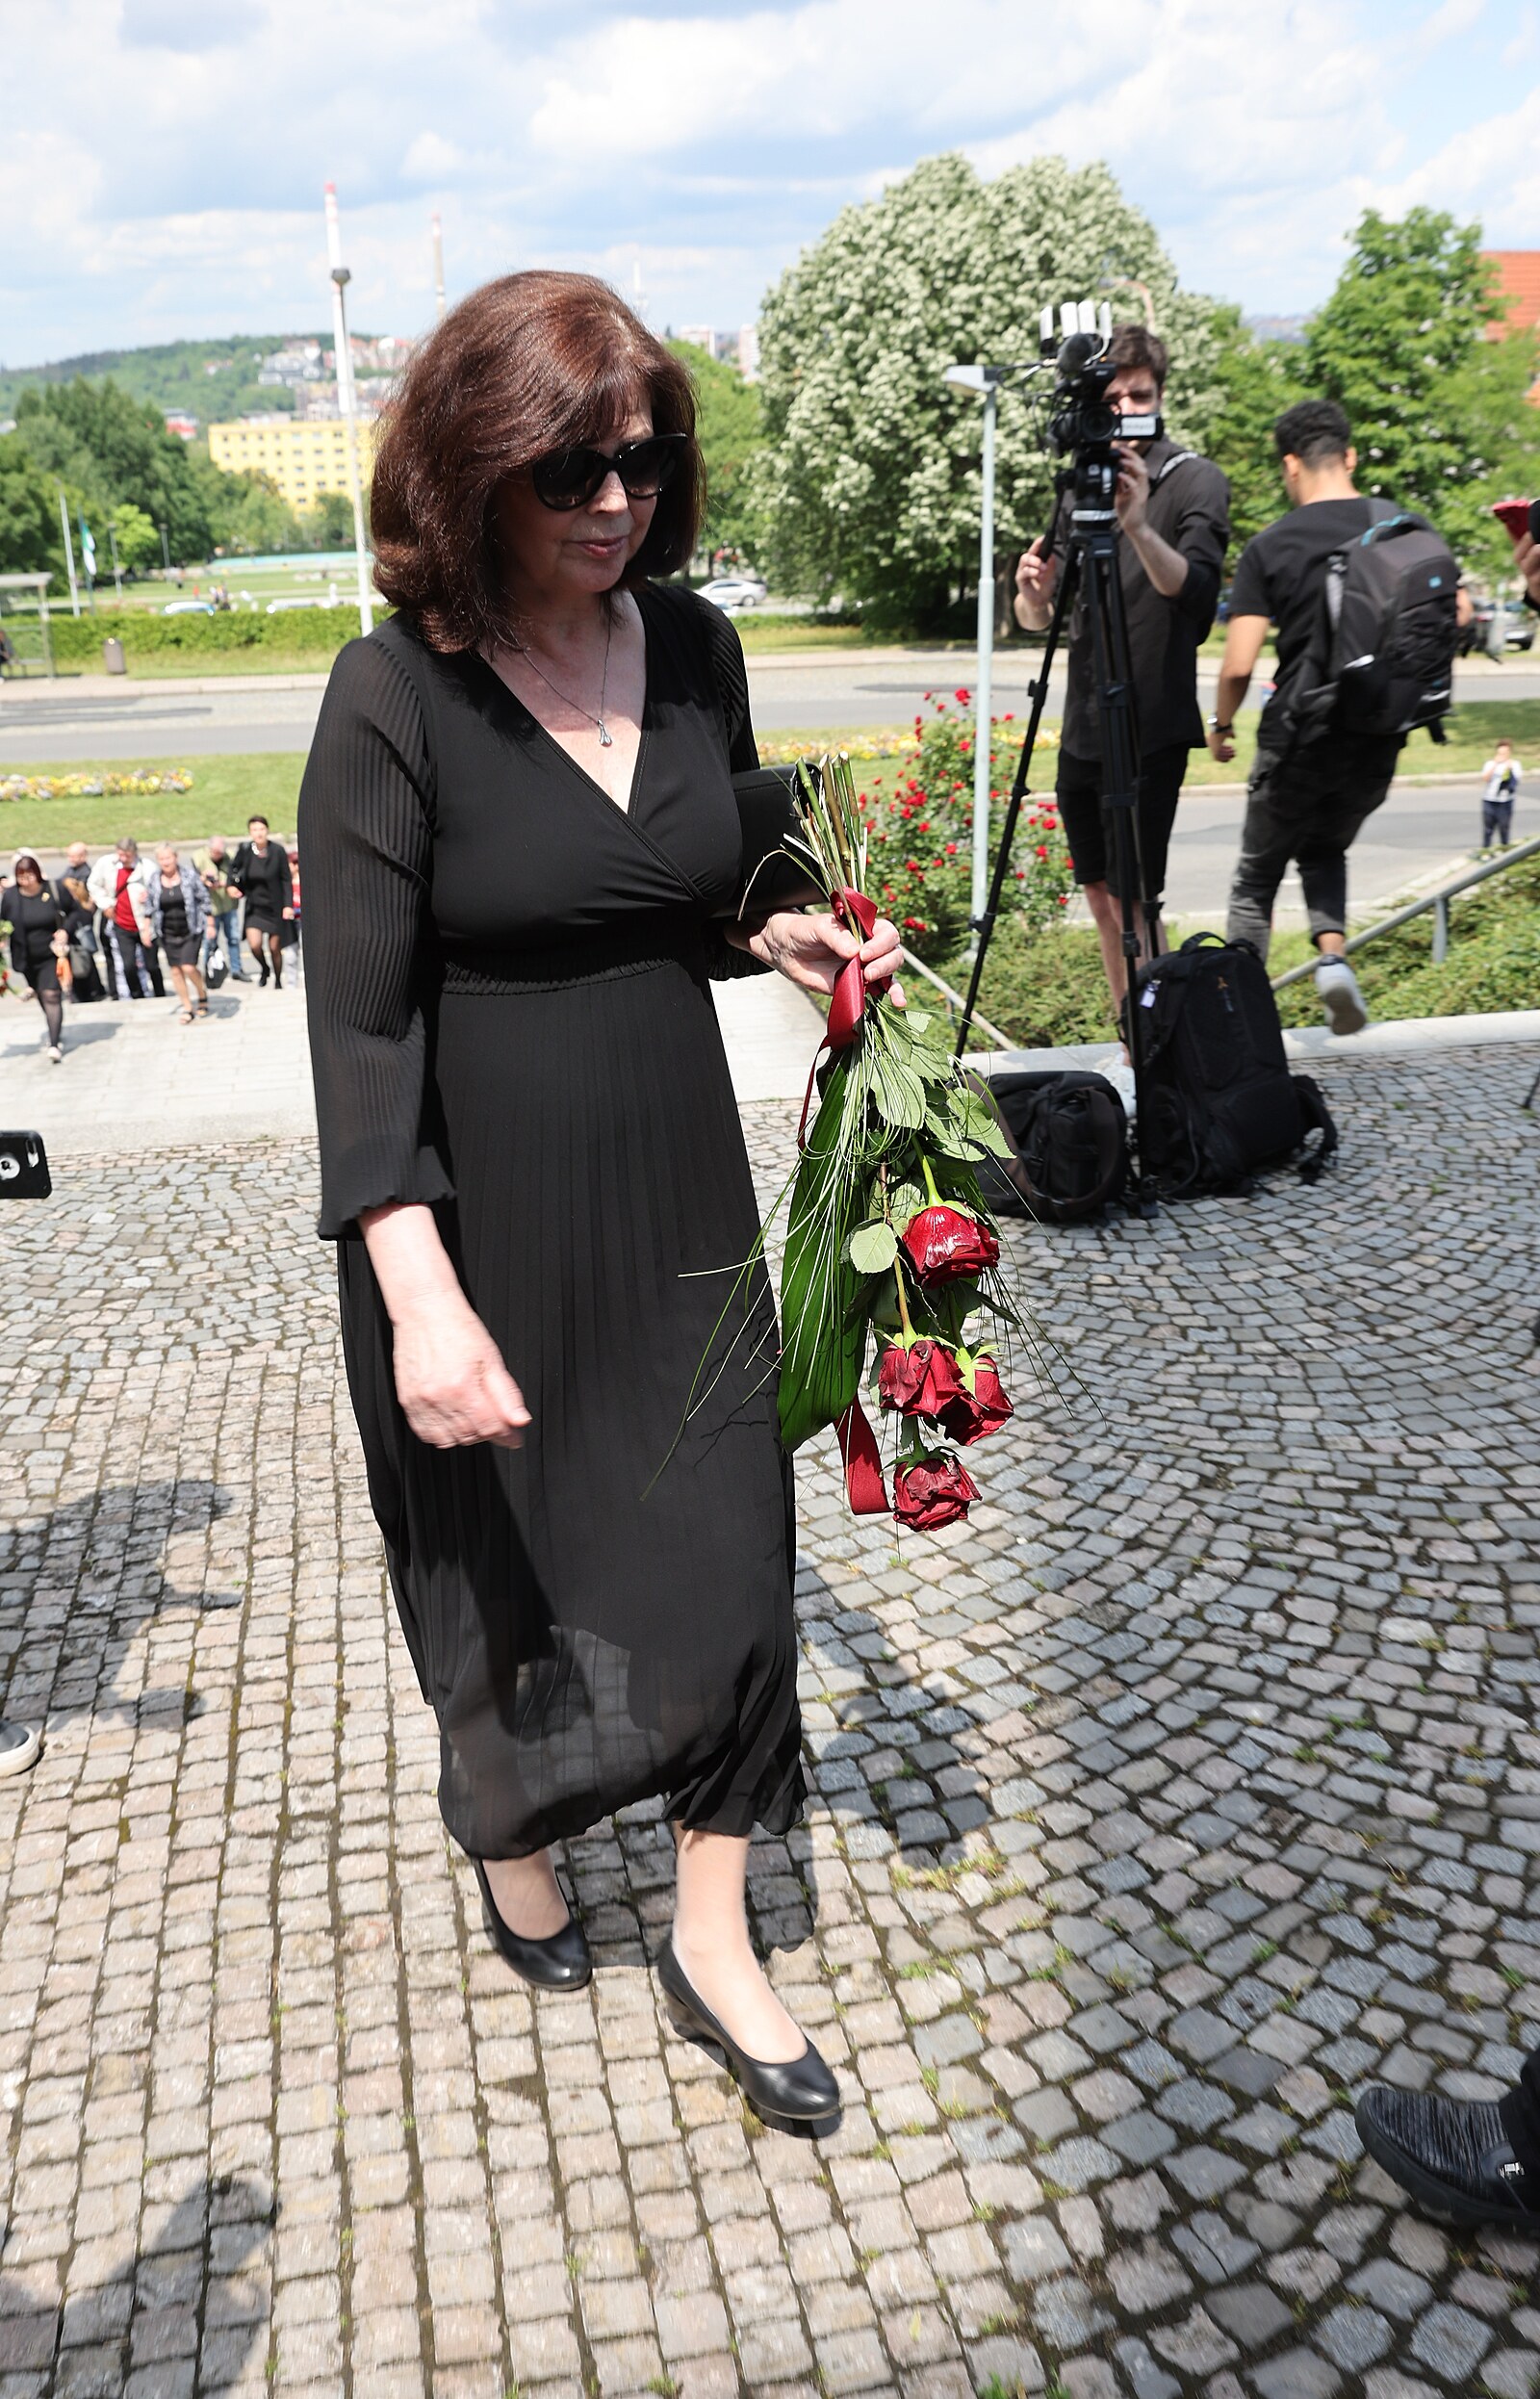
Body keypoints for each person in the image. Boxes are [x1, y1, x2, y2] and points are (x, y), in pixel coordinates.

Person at [300, 269, 903, 2124]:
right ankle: (511, 1830)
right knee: (501, 1572)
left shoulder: (696, 646)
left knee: (731, 1547)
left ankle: (715, 1931)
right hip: (473, 1218)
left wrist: (788, 934)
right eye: (570, 470)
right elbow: (360, 1031)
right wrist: (420, 1299)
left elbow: (706, 883)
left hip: (677, 1190)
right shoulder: (393, 694)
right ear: (470, 472)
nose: (616, 501)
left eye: (643, 462)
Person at [1211, 400, 1468, 1035]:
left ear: (1289, 465)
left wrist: (1221, 726)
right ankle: (1333, 963)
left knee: (1256, 878)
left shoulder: (1271, 545)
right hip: (1377, 733)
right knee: (1326, 849)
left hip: (1299, 735)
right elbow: (1459, 614)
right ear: (1350, 456)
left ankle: (1241, 1018)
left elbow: (1238, 665)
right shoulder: (1404, 525)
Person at [1014, 322, 1231, 1015]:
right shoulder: (1082, 480)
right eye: (1114, 399)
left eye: (1140, 395)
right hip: (1083, 726)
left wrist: (1136, 524)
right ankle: (1130, 1038)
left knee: (1138, 902)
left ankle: (1164, 1045)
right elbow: (1038, 618)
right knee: (1101, 898)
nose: (1127, 410)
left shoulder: (1193, 479)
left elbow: (1195, 594)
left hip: (1150, 726)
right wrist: (1032, 594)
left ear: (1160, 395)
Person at [2, 850, 71, 1059]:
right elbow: (4, 921)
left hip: (52, 954)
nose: (26, 881)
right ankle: (53, 1026)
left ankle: (54, 1043)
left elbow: (76, 911)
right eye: (21, 876)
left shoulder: (53, 889)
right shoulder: (11, 896)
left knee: (51, 994)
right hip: (26, 957)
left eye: (29, 875)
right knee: (42, 993)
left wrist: (65, 930)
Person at [88, 838, 162, 1000]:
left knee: (152, 965)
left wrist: (149, 895)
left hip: (144, 923)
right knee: (128, 966)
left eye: (127, 855)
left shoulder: (146, 867)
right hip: (122, 924)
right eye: (120, 854)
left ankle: (159, 994)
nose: (123, 858)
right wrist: (105, 904)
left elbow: (158, 887)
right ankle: (137, 995)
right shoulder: (107, 864)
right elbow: (93, 885)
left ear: (134, 853)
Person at [143, 842, 210, 1020]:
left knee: (188, 966)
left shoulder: (189, 875)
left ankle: (201, 993)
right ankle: (187, 1006)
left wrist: (210, 923)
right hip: (167, 931)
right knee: (175, 970)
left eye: (168, 858)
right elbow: (149, 905)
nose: (166, 862)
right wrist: (146, 929)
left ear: (176, 857)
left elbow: (204, 898)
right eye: (161, 859)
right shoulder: (155, 879)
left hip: (190, 929)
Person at [229, 815, 294, 986]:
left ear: (267, 830)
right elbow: (233, 870)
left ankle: (278, 979)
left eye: (262, 829)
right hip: (255, 907)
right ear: (250, 832)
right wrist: (231, 886)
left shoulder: (277, 851)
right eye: (255, 830)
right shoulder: (245, 850)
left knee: (274, 948)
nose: (258, 833)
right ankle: (264, 968)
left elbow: (286, 879)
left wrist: (288, 905)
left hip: (275, 907)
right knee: (255, 944)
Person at [56, 840, 106, 1003]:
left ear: (83, 856)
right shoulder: (71, 870)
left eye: (74, 856)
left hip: (82, 920)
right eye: (69, 855)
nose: (71, 859)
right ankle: (87, 989)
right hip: (75, 918)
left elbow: (84, 898)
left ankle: (93, 990)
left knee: (84, 953)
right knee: (79, 953)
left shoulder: (86, 873)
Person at [192, 835, 247, 980]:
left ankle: (236, 969)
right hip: (210, 907)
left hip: (228, 904)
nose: (218, 856)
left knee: (233, 938)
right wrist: (204, 880)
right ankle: (209, 971)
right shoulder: (198, 857)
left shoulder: (230, 857)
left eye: (220, 853)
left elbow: (237, 875)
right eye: (215, 853)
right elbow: (192, 880)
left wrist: (225, 883)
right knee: (209, 940)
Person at [1478, 737, 1521, 850]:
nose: (1502, 755)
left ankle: (1505, 849)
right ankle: (1486, 850)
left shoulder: (1514, 765)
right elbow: (1485, 778)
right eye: (1500, 753)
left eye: (1504, 753)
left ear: (1509, 752)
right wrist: (1495, 764)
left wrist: (1509, 768)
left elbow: (1515, 782)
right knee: (1488, 828)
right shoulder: (1490, 764)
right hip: (1489, 799)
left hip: (1505, 800)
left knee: (1504, 827)